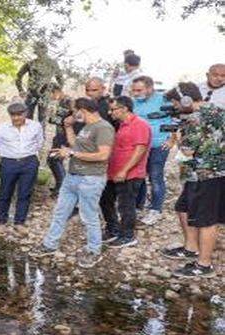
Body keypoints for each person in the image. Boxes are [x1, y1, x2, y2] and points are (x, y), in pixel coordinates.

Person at [31, 98, 115, 268]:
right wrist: (68, 127)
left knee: (89, 216)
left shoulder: (104, 127)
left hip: (90, 179)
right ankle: (49, 244)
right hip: (72, 177)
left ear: (82, 110)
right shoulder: (87, 127)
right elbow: (75, 145)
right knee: (60, 213)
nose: (73, 114)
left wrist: (71, 154)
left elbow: (103, 155)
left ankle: (94, 250)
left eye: (75, 111)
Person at [169, 103, 224, 278]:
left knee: (207, 219)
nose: (174, 108)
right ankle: (191, 248)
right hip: (207, 173)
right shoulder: (219, 112)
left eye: (174, 104)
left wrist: (177, 138)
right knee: (183, 207)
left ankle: (204, 264)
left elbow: (187, 152)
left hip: (206, 175)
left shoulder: (194, 119)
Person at [99, 96, 152, 248]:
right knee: (105, 200)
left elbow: (140, 149)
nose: (110, 113)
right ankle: (113, 229)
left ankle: (127, 235)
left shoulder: (139, 124)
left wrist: (124, 170)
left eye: (113, 109)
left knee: (126, 205)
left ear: (124, 109)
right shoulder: (121, 125)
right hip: (113, 172)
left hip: (130, 174)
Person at [0, 101, 44, 237]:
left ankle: (19, 223)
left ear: (25, 114)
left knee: (25, 193)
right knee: (5, 193)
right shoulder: (2, 128)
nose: (16, 118)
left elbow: (39, 143)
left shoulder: (35, 126)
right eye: (13, 115)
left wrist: (27, 155)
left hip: (29, 162)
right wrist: (11, 155)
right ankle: (1, 223)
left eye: (19, 115)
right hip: (8, 163)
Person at [131, 76, 174, 225]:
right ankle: (138, 206)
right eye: (134, 90)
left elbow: (176, 119)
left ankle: (155, 209)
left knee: (155, 176)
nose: (135, 93)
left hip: (159, 144)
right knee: (139, 176)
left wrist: (172, 139)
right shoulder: (133, 102)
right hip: (140, 145)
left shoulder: (164, 100)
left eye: (139, 90)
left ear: (150, 88)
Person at [15, 41, 64, 130]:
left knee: (42, 119)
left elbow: (60, 78)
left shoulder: (52, 64)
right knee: (27, 118)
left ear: (45, 50)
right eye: (36, 49)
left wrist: (56, 93)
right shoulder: (31, 63)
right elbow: (18, 76)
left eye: (40, 49)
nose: (38, 51)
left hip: (45, 95)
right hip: (31, 94)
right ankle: (27, 138)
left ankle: (40, 140)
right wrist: (21, 90)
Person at [46, 85, 83, 197]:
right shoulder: (60, 102)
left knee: (54, 159)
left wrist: (55, 119)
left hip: (66, 135)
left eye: (50, 94)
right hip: (60, 134)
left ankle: (62, 187)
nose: (49, 97)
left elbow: (76, 118)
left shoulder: (69, 101)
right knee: (53, 160)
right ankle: (59, 185)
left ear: (56, 91)